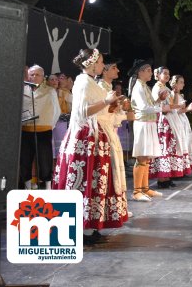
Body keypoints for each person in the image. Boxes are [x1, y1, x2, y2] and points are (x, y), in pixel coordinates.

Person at [53, 48, 128, 244]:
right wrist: (106, 100)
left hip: (96, 136)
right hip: (87, 138)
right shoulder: (83, 82)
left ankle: (92, 226)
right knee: (88, 180)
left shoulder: (90, 82)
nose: (103, 65)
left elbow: (98, 108)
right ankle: (84, 229)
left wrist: (111, 105)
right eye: (101, 62)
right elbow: (82, 112)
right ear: (92, 63)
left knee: (97, 180)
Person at [97, 55, 134, 218]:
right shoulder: (100, 88)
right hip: (104, 131)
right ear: (104, 70)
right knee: (110, 171)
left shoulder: (108, 86)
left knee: (115, 170)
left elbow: (112, 112)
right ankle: (109, 210)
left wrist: (122, 110)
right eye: (114, 67)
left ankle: (117, 208)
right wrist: (123, 114)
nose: (117, 70)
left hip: (110, 131)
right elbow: (103, 114)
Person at [128, 59, 170, 201]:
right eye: (148, 71)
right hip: (142, 123)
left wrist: (158, 100)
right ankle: (137, 191)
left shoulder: (144, 86)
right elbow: (143, 107)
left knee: (146, 158)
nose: (151, 73)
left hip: (149, 123)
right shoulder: (138, 87)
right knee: (141, 157)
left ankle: (145, 188)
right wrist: (161, 108)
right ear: (140, 72)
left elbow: (149, 104)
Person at [20, 65, 61, 189]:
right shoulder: (22, 89)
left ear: (43, 77)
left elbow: (56, 111)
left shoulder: (50, 91)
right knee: (25, 159)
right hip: (25, 130)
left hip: (43, 129)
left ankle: (48, 185)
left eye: (37, 75)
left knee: (45, 159)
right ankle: (27, 185)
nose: (34, 77)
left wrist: (50, 125)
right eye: (31, 74)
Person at [150, 66, 191, 187]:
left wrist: (176, 93)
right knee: (165, 147)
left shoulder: (166, 87)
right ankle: (162, 178)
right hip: (164, 120)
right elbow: (159, 105)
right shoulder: (157, 87)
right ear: (158, 75)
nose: (167, 76)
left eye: (168, 74)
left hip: (171, 119)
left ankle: (167, 176)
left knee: (171, 147)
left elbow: (173, 103)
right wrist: (177, 106)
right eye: (165, 73)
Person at [170, 75, 192, 174]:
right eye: (181, 82)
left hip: (183, 120)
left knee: (186, 141)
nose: (183, 84)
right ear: (175, 83)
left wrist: (187, 109)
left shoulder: (180, 95)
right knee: (181, 143)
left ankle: (184, 167)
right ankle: (178, 168)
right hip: (178, 120)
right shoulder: (173, 94)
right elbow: (175, 111)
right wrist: (187, 109)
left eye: (183, 82)